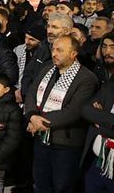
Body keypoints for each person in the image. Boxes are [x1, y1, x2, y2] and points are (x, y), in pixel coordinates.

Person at [24, 35, 98, 193]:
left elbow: (73, 112)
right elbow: (32, 92)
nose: (54, 53)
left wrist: (38, 121)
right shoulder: (47, 68)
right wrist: (31, 115)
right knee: (40, 185)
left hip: (66, 145)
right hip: (41, 140)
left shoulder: (87, 79)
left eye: (60, 50)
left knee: (62, 188)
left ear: (73, 54)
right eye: (53, 49)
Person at [81, 79, 114, 191]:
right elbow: (86, 110)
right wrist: (110, 121)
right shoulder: (110, 87)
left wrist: (101, 118)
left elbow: (95, 116)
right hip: (97, 163)